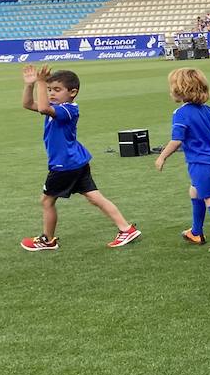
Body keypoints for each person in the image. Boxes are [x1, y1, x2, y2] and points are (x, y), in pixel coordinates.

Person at [19, 65, 140, 252]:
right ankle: (126, 228)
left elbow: (42, 107)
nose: (51, 93)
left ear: (73, 92)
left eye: (57, 90)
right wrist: (30, 85)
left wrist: (41, 82)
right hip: (77, 161)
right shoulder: (57, 107)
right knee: (94, 197)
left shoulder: (68, 110)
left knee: (47, 201)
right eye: (50, 90)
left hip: (64, 165)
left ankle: (47, 239)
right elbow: (28, 104)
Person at [154, 67, 210, 254]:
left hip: (200, 164)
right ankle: (196, 232)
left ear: (179, 90)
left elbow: (177, 140)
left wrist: (162, 156)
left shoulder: (180, 114)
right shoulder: (208, 110)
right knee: (195, 192)